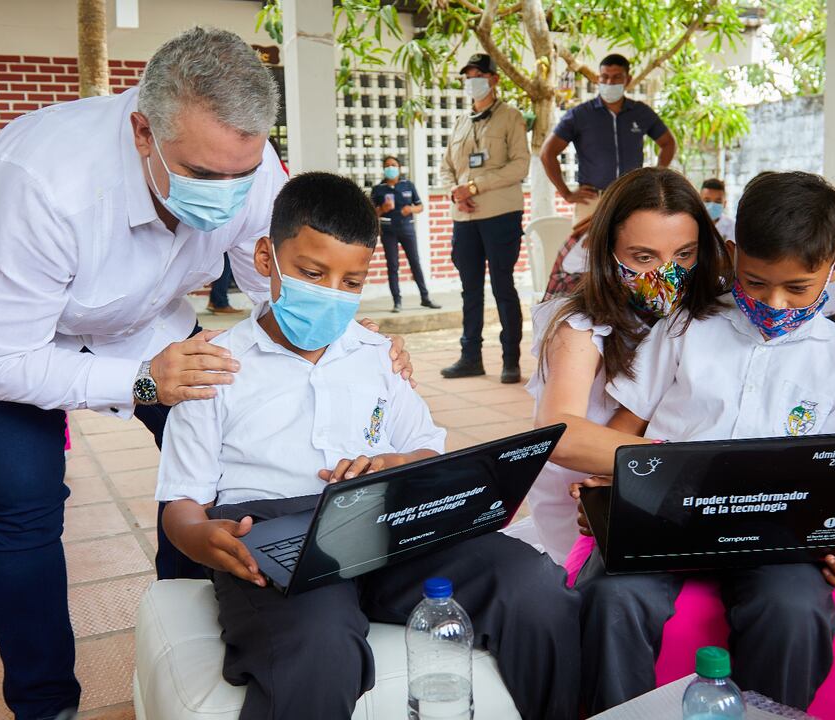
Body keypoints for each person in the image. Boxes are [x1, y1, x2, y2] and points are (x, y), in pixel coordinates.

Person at [0, 28, 406, 720]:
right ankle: (44, 701)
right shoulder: (46, 183)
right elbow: (3, 362)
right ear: (144, 131)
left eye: (244, 172)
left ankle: (192, 624)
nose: (229, 194)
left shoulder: (249, 164)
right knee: (24, 503)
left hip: (145, 317)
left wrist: (356, 343)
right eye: (205, 177)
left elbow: (278, 286)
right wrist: (144, 381)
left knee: (210, 470)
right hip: (0, 331)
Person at [156, 172, 580, 720]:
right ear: (266, 259)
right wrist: (201, 537)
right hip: (269, 540)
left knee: (532, 583)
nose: (331, 294)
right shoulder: (212, 365)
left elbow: (427, 452)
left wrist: (398, 464)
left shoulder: (378, 354)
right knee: (319, 646)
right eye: (312, 273)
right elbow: (181, 504)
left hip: (385, 525)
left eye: (351, 282)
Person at [575, 171, 835, 713]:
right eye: (754, 281)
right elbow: (621, 431)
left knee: (794, 612)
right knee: (611, 597)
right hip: (664, 518)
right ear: (730, 253)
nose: (774, 302)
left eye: (797, 288)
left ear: (834, 268)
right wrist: (607, 487)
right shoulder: (684, 326)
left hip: (776, 533)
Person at [519, 167, 732, 562]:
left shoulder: (714, 312)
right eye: (644, 256)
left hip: (677, 497)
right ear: (607, 250)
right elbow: (560, 434)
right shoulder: (580, 327)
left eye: (684, 254)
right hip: (587, 505)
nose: (667, 273)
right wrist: (687, 466)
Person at [438, 53, 531, 384]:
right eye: (468, 76)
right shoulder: (462, 121)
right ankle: (470, 357)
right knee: (469, 289)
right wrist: (455, 193)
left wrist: (474, 187)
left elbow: (520, 165)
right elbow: (447, 167)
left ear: (493, 80)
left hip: (500, 214)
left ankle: (511, 360)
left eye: (478, 75)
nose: (472, 81)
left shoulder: (511, 117)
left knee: (503, 286)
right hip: (464, 219)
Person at [541, 54, 676, 222]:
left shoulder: (640, 112)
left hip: (631, 199)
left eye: (617, 77)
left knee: (631, 247)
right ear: (598, 79)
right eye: (605, 77)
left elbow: (668, 143)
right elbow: (547, 153)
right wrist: (566, 193)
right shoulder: (580, 114)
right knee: (588, 248)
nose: (610, 83)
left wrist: (657, 178)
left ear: (628, 80)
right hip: (592, 201)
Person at [370, 155, 440, 312]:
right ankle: (397, 301)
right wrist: (382, 209)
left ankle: (425, 297)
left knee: (415, 262)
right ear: (383, 169)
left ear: (399, 167)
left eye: (393, 165)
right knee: (393, 265)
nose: (390, 168)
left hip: (407, 229)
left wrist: (411, 209)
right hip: (388, 230)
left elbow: (420, 206)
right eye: (387, 166)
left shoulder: (408, 185)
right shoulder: (378, 189)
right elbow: (371, 213)